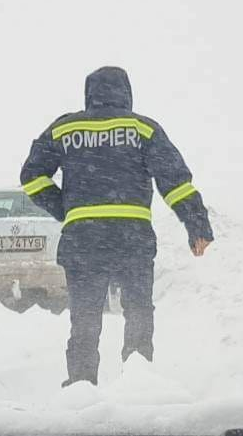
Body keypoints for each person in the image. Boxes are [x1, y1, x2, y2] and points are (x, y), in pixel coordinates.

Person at [20, 65, 213, 387]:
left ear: (89, 93)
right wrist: (197, 225)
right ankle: (138, 381)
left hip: (84, 239)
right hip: (131, 239)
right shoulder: (143, 129)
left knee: (84, 317)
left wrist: (65, 207)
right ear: (127, 93)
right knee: (138, 311)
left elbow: (31, 176)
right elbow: (175, 181)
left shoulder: (65, 129)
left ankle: (81, 384)